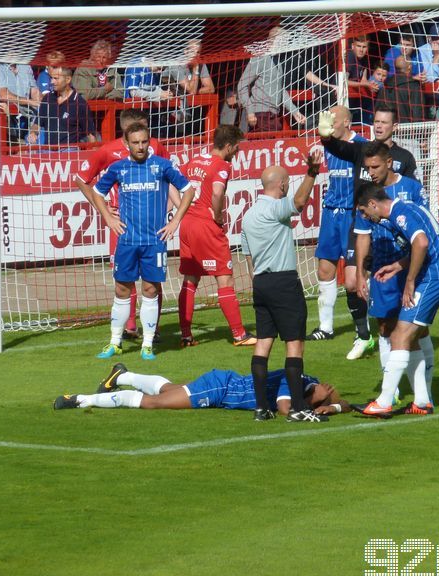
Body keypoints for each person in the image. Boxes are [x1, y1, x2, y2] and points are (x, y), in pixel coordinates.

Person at [317, 105, 419, 355]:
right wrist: (325, 137)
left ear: (394, 126)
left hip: (392, 233)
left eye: (385, 122)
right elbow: (336, 147)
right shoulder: (363, 149)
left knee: (392, 285)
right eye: (376, 121)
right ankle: (364, 335)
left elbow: (413, 195)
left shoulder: (405, 158)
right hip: (361, 226)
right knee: (352, 282)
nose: (379, 126)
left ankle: (402, 334)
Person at [90, 122, 195, 360]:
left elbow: (188, 191)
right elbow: (97, 192)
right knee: (121, 289)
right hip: (127, 240)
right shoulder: (118, 168)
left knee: (150, 290)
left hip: (154, 241)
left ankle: (147, 344)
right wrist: (108, 217)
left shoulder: (162, 166)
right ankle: (115, 342)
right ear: (126, 144)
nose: (140, 147)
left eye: (144, 142)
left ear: (149, 142)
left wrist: (175, 221)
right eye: (135, 142)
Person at [240, 149, 327, 422]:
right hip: (283, 281)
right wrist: (312, 173)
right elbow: (299, 202)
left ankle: (261, 407)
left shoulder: (249, 216)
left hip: (261, 282)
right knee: (294, 344)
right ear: (280, 185)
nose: (288, 186)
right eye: (287, 182)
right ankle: (300, 408)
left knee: (263, 343)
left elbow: (248, 258)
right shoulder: (274, 209)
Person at [354, 182, 439, 417]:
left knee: (398, 335)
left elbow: (421, 242)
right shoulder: (406, 208)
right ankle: (422, 401)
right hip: (433, 276)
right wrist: (398, 266)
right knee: (411, 338)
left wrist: (409, 281)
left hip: (432, 279)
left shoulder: (400, 213)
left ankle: (384, 402)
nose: (365, 217)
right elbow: (422, 245)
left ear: (372, 204)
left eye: (363, 212)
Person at [75, 108, 169, 341]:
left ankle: (153, 329)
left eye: (145, 133)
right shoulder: (108, 151)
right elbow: (81, 179)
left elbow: (170, 176)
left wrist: (167, 208)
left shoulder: (155, 146)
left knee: (153, 279)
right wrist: (105, 211)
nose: (143, 141)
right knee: (125, 279)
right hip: (122, 225)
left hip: (150, 225)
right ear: (126, 133)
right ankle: (129, 327)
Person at [353, 143, 434, 405]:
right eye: (367, 168)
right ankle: (393, 391)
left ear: (389, 162)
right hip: (382, 268)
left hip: (411, 265)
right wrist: (360, 274)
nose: (371, 172)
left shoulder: (410, 188)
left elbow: (426, 224)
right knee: (386, 327)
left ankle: (424, 393)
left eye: (375, 166)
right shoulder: (368, 194)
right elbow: (363, 234)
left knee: (417, 330)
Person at [178, 124, 256, 347]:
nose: (238, 153)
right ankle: (240, 334)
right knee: (225, 278)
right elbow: (217, 192)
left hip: (187, 223)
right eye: (237, 148)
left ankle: (186, 335)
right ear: (229, 146)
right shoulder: (222, 165)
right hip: (206, 226)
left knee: (191, 279)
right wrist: (219, 215)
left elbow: (175, 183)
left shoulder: (194, 161)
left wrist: (179, 208)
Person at [53, 362, 350, 416]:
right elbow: (286, 410)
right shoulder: (292, 379)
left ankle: (121, 376)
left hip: (223, 384)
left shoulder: (307, 382)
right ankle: (80, 400)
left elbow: (344, 401)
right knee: (154, 403)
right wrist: (313, 402)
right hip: (220, 389)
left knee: (168, 391)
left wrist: (330, 406)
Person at [309, 106, 369, 355]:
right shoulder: (328, 145)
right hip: (331, 212)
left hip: (353, 214)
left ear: (346, 122)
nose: (329, 120)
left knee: (356, 277)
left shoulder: (363, 145)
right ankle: (325, 326)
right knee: (325, 268)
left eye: (333, 118)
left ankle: (363, 328)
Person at [236, 26, 306, 132]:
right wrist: (250, 111)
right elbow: (242, 85)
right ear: (270, 41)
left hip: (274, 115)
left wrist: (295, 111)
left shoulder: (278, 61)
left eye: (286, 42)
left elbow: (280, 90)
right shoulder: (259, 58)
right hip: (260, 115)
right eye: (282, 42)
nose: (285, 45)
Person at [28, 66, 97, 148]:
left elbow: (90, 134)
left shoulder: (80, 103)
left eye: (56, 78)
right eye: (51, 78)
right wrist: (33, 133)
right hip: (48, 152)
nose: (52, 82)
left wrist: (95, 154)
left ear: (68, 79)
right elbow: (37, 123)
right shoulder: (48, 99)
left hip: (69, 151)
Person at [0, 60, 41, 144]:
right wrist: (31, 102)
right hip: (5, 114)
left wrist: (43, 103)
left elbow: (35, 91)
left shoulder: (25, 66)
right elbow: (3, 95)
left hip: (28, 113)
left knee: (44, 117)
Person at [376, 56, 427, 123]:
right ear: (409, 67)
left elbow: (378, 111)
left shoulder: (385, 86)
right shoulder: (414, 86)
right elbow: (418, 113)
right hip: (408, 130)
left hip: (389, 128)